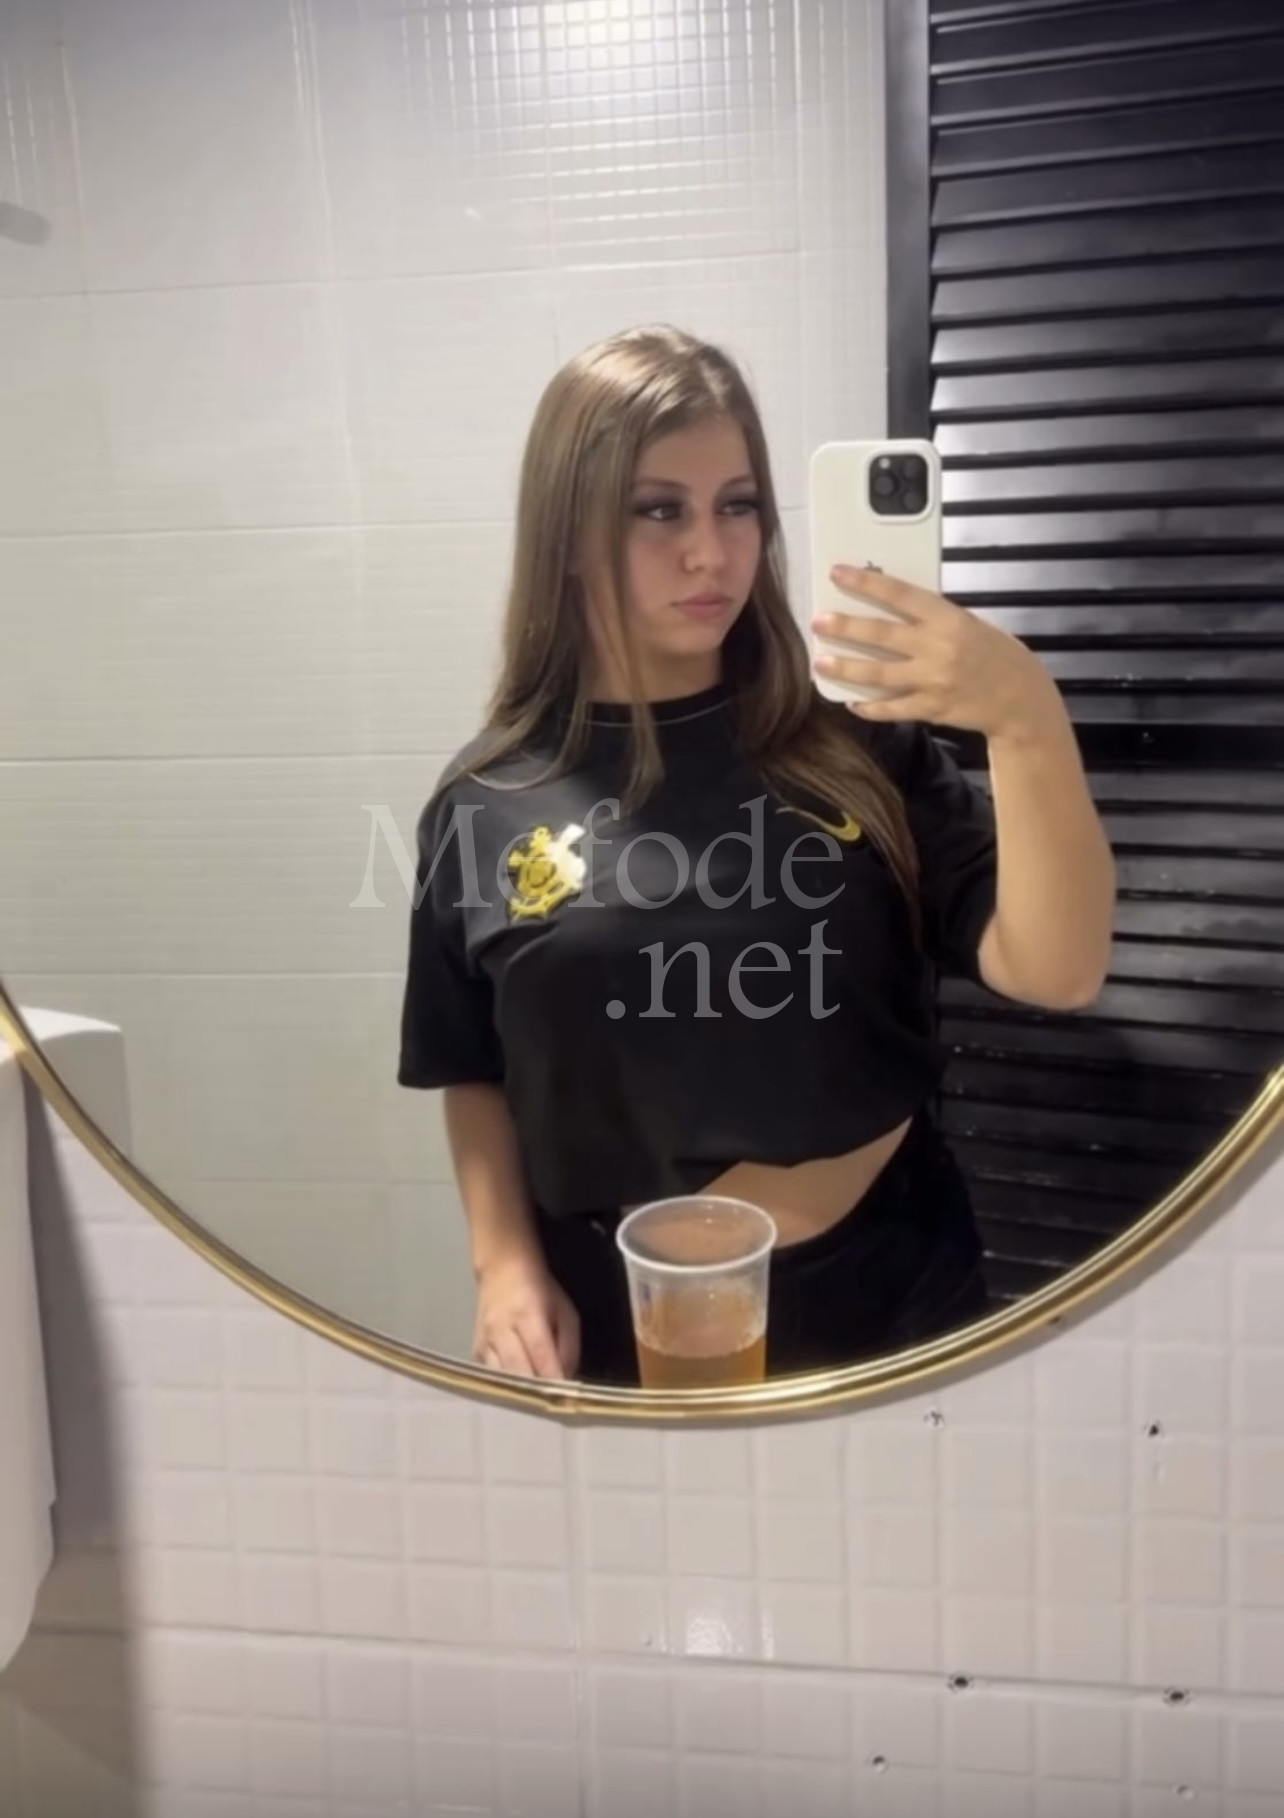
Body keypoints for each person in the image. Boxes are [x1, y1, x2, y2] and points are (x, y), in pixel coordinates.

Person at [397, 325, 1115, 1386]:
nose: (712, 552)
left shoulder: (858, 742)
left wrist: (1026, 718)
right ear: (568, 534)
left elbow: (1058, 969)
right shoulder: (486, 800)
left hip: (892, 1291)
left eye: (738, 506)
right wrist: (500, 1266)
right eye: (659, 510)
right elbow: (470, 1064)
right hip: (617, 1314)